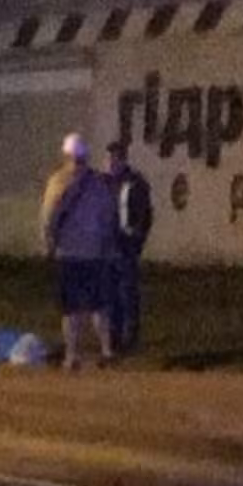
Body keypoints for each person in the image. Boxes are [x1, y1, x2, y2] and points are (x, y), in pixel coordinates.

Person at [40, 134, 119, 371]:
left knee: (71, 308)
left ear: (66, 155)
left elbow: (49, 216)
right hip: (94, 252)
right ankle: (107, 351)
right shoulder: (98, 183)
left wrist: (47, 243)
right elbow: (109, 217)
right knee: (99, 305)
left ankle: (72, 355)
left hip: (68, 252)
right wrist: (107, 244)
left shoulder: (58, 181)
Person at [104, 140, 154, 354]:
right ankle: (112, 336)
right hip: (108, 245)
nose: (111, 163)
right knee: (110, 293)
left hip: (126, 245)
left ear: (123, 159)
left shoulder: (134, 182)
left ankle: (130, 336)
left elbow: (145, 214)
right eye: (109, 158)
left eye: (115, 158)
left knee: (127, 292)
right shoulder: (104, 183)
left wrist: (138, 239)